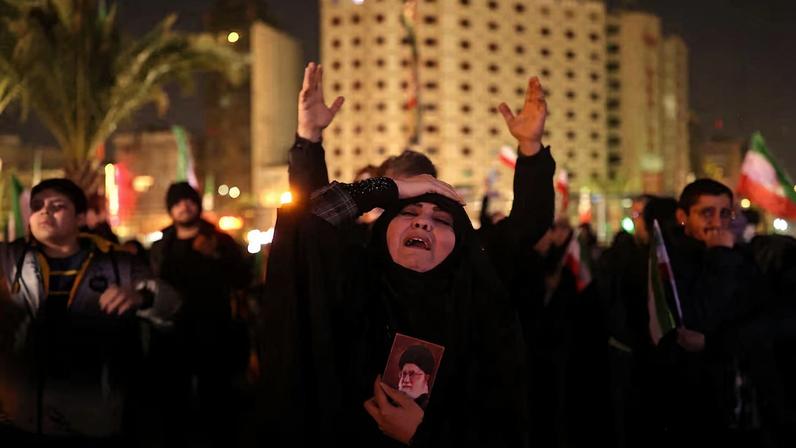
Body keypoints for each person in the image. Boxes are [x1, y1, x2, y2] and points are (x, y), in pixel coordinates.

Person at [259, 61, 552, 447]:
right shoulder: (354, 278)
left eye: (441, 217)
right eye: (409, 209)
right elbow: (308, 225)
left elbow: (502, 422)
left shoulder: (477, 300)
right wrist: (317, 146)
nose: (423, 222)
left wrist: (425, 433)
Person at [0, 178, 179, 447]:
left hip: (94, 412)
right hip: (20, 412)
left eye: (57, 205)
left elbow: (171, 304)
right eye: (37, 206)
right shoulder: (7, 260)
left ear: (81, 218)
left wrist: (140, 297)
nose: (44, 212)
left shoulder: (117, 261)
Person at [652, 179, 768, 447]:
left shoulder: (740, 257)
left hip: (739, 397)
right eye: (706, 213)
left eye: (725, 213)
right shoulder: (668, 264)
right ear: (683, 217)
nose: (717, 222)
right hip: (691, 401)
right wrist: (719, 257)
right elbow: (697, 320)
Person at [149, 181, 251, 447]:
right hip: (171, 333)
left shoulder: (220, 240)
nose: (184, 206)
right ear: (170, 209)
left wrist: (217, 254)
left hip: (214, 329)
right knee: (173, 400)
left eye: (189, 200)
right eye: (177, 202)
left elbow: (244, 278)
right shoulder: (162, 246)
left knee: (216, 397)